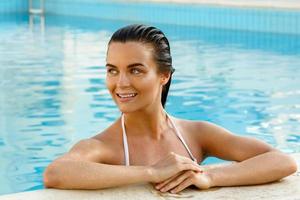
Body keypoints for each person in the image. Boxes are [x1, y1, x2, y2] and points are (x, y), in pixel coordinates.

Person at [43, 24, 297, 194]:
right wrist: (152, 171)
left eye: (135, 70)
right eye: (112, 70)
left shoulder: (195, 134)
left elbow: (281, 161)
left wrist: (210, 177)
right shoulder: (104, 145)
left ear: (164, 75)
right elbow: (56, 173)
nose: (120, 83)